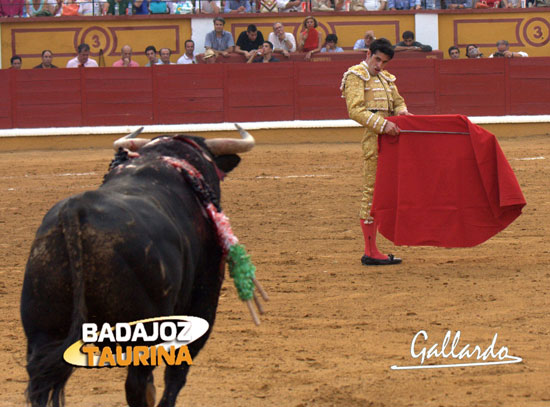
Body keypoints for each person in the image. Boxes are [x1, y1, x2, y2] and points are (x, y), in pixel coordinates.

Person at [341, 38, 411, 266]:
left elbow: (398, 102)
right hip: (375, 140)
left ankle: (375, 246)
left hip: (392, 141)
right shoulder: (355, 75)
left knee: (389, 193)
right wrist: (383, 125)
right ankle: (370, 251)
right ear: (368, 53)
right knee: (372, 194)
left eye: (384, 62)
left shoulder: (386, 78)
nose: (380, 65)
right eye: (377, 59)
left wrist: (402, 114)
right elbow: (355, 109)